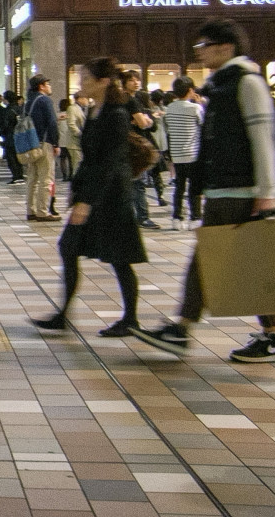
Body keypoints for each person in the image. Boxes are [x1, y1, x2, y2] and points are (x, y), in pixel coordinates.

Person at [131, 20, 275, 363]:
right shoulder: (223, 84)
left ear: (225, 47)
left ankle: (183, 328)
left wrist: (265, 193)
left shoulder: (247, 82)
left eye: (203, 44)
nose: (198, 51)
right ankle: (272, 335)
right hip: (226, 188)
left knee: (210, 260)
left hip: (241, 189)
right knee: (236, 261)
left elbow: (263, 140)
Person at [34, 57, 145, 337]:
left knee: (120, 258)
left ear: (103, 81)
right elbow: (91, 158)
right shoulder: (96, 111)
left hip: (111, 197)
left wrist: (86, 201)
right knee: (69, 248)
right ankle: (63, 314)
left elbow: (110, 162)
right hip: (94, 194)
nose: (81, 83)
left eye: (85, 78)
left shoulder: (116, 115)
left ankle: (130, 319)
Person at [121, 70, 161, 229]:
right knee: (138, 182)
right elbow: (143, 123)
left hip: (122, 145)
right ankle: (143, 217)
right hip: (133, 147)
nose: (136, 83)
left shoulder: (118, 98)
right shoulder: (131, 100)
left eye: (137, 80)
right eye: (131, 80)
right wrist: (148, 120)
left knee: (129, 182)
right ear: (125, 82)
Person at [163, 76, 204, 230]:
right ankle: (195, 218)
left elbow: (168, 128)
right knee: (194, 188)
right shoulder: (195, 108)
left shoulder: (169, 109)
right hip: (193, 154)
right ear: (190, 90)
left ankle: (177, 218)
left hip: (177, 154)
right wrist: (199, 103)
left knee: (179, 188)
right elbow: (203, 124)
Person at [24, 75, 61, 222]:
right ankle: (42, 211)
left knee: (32, 178)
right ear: (41, 86)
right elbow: (51, 123)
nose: (50, 87)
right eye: (48, 84)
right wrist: (56, 143)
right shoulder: (44, 100)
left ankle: (30, 210)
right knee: (46, 178)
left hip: (31, 144)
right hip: (45, 143)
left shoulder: (29, 102)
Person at [2, 91, 25, 185]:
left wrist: (3, 133)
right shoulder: (20, 109)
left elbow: (5, 125)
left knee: (11, 157)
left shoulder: (8, 110)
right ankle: (20, 175)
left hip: (10, 136)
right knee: (18, 156)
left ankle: (16, 176)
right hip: (21, 136)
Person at [66, 92, 87, 176]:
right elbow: (71, 124)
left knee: (80, 166)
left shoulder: (82, 109)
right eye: (85, 98)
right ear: (79, 99)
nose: (87, 100)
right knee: (77, 166)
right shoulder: (72, 108)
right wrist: (80, 134)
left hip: (80, 143)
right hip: (74, 143)